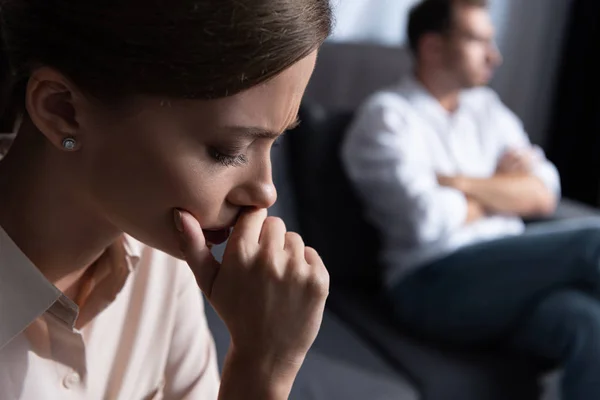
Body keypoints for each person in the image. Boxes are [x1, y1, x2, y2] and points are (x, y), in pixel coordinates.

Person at [0, 1, 331, 399]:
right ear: (62, 111)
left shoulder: (160, 257)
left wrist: (264, 362)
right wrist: (261, 370)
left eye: (273, 142)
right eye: (228, 149)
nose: (266, 191)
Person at [342, 0, 600, 398]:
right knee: (593, 241)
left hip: (508, 276)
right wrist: (503, 188)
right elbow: (425, 219)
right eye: (479, 41)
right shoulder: (386, 117)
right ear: (433, 48)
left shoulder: (488, 110)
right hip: (431, 283)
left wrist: (461, 183)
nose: (494, 56)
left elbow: (545, 191)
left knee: (585, 321)